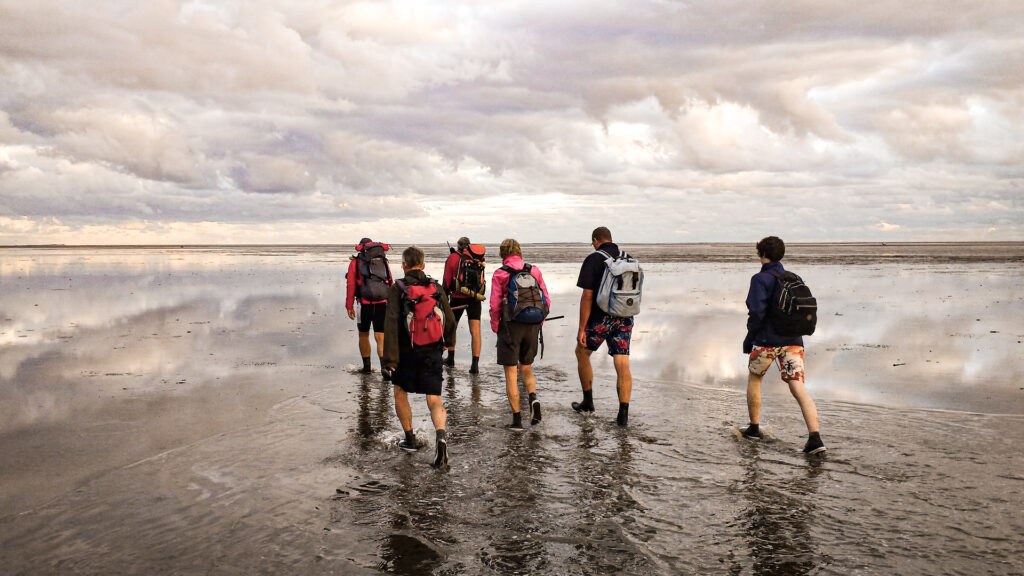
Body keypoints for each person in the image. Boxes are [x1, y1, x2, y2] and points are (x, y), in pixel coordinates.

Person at [741, 236, 826, 454]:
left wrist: (750, 337)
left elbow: (757, 312)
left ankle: (754, 428)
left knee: (755, 378)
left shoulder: (760, 279)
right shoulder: (793, 277)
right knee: (798, 387)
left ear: (761, 254)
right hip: (794, 341)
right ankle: (815, 438)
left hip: (766, 342)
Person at [383, 246, 457, 469]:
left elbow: (391, 325)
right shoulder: (435, 286)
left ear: (404, 265)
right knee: (434, 399)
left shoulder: (398, 288)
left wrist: (390, 359)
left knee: (400, 392)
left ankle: (410, 439)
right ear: (423, 265)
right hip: (433, 350)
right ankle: (441, 439)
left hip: (406, 352)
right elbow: (450, 319)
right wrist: (447, 343)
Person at [572, 226, 634, 426]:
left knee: (582, 352)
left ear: (596, 240)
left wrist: (582, 328)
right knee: (622, 362)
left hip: (601, 318)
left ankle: (588, 403)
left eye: (593, 242)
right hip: (625, 316)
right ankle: (622, 415)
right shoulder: (627, 258)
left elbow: (587, 295)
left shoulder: (594, 259)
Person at [489, 238, 551, 431]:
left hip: (510, 327)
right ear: (520, 252)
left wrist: (495, 325)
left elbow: (494, 305)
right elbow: (546, 299)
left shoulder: (501, 273)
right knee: (526, 369)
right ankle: (533, 397)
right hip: (533, 325)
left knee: (510, 373)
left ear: (502, 254)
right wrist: (539, 321)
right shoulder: (534, 270)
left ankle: (516, 420)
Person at [346, 237, 393, 379]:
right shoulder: (382, 261)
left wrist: (349, 305)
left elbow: (351, 285)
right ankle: (385, 368)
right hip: (382, 303)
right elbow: (390, 280)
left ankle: (366, 368)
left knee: (363, 334)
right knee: (381, 336)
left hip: (364, 304)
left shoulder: (355, 263)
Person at [443, 237, 484, 374]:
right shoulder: (477, 258)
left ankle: (451, 358)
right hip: (475, 298)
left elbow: (447, 281)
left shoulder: (453, 258)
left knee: (451, 328)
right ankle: (475, 365)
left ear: (458, 245)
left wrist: (444, 296)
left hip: (457, 298)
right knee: (475, 331)